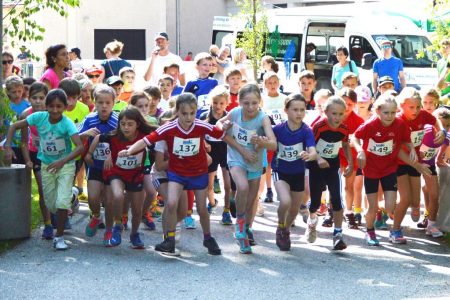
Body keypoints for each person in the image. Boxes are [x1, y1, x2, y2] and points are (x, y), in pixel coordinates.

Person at [119, 93, 226, 256]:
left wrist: (226, 129)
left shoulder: (197, 128)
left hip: (190, 173)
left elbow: (216, 142)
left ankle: (205, 237)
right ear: (177, 113)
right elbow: (148, 144)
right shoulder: (167, 131)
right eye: (184, 114)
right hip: (169, 173)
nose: (188, 117)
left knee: (193, 210)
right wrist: (129, 150)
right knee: (171, 203)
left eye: (192, 113)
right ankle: (169, 238)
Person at [4, 89, 84, 250]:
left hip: (65, 165)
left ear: (65, 107)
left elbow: (80, 147)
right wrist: (7, 146)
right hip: (47, 165)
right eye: (52, 106)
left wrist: (62, 161)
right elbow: (13, 126)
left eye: (59, 107)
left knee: (61, 202)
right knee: (51, 203)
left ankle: (59, 237)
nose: (55, 110)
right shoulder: (38, 118)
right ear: (46, 106)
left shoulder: (67, 123)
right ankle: (72, 195)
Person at [216, 83, 277, 254]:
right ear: (239, 102)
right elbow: (219, 127)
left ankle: (247, 228)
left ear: (260, 102)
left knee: (252, 200)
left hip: (255, 160)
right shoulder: (235, 113)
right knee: (242, 186)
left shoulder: (263, 118)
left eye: (254, 103)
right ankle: (240, 227)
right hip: (237, 157)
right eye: (246, 103)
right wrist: (224, 126)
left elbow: (273, 144)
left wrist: (262, 142)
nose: (250, 107)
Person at [353, 94, 416, 245]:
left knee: (390, 207)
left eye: (393, 112)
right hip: (371, 170)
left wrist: (412, 149)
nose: (390, 116)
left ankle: (380, 212)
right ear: (378, 111)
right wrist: (360, 150)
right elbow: (354, 137)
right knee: (372, 207)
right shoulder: (370, 124)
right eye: (386, 112)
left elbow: (406, 140)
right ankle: (369, 231)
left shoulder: (400, 124)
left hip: (389, 168)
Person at [92, 107, 156, 248]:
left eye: (130, 124)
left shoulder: (144, 136)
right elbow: (98, 137)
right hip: (117, 173)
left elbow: (162, 133)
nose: (126, 127)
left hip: (135, 175)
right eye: (123, 124)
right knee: (117, 195)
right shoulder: (114, 136)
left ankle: (134, 234)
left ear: (138, 124)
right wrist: (88, 154)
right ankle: (118, 225)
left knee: (137, 209)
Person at [393, 87, 445, 243]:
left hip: (418, 161)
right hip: (401, 162)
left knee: (415, 201)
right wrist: (415, 162)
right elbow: (398, 148)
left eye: (418, 106)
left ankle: (429, 221)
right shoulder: (398, 120)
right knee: (405, 199)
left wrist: (441, 130)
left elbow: (434, 119)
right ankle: (395, 229)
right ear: (401, 106)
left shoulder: (423, 115)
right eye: (411, 107)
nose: (415, 110)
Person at [305, 96, 353, 251]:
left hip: (333, 166)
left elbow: (345, 145)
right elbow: (309, 145)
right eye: (334, 114)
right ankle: (312, 222)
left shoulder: (344, 129)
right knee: (316, 203)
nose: (337, 117)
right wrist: (318, 158)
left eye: (341, 114)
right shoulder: (319, 127)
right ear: (325, 112)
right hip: (315, 166)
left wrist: (350, 163)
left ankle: (338, 234)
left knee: (337, 200)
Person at [272, 94, 317, 251]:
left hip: (298, 172)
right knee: (285, 201)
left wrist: (309, 155)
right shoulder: (277, 129)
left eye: (302, 110)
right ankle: (280, 226)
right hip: (280, 171)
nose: (299, 113)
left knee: (294, 209)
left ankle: (286, 230)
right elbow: (268, 140)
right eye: (295, 110)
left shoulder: (306, 131)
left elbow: (313, 151)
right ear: (286, 110)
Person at [79, 85, 119, 245]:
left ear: (113, 103)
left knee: (109, 201)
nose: (104, 106)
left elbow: (123, 142)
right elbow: (75, 136)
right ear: (94, 102)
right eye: (100, 102)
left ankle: (109, 230)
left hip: (111, 168)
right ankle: (96, 216)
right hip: (94, 165)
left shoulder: (118, 121)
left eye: (107, 103)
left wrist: (112, 155)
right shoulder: (90, 119)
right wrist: (84, 135)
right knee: (93, 197)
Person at [18, 82, 51, 239]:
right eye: (34, 98)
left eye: (41, 98)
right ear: (29, 98)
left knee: (56, 190)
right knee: (43, 190)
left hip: (54, 155)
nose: (38, 101)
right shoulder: (25, 115)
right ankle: (48, 224)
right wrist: (27, 160)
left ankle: (66, 207)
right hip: (35, 154)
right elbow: (23, 141)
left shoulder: (53, 112)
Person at [200, 86, 232, 225]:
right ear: (210, 102)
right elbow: (197, 134)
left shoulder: (229, 117)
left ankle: (226, 211)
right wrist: (203, 143)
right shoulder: (204, 117)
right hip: (210, 154)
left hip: (225, 152)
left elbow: (233, 135)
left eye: (221, 103)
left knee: (227, 185)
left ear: (226, 103)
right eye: (215, 103)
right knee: (209, 185)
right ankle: (212, 203)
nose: (218, 106)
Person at [337, 88, 364, 229]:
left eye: (350, 104)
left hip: (351, 158)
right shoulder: (333, 116)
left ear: (354, 104)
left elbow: (361, 140)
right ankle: (333, 209)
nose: (346, 107)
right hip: (335, 155)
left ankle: (349, 211)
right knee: (334, 184)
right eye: (344, 103)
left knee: (349, 186)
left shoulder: (359, 121)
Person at [261, 71, 287, 203]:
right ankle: (269, 189)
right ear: (265, 84)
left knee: (281, 162)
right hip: (268, 136)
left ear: (279, 83)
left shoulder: (284, 98)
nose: (272, 85)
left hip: (282, 134)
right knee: (268, 163)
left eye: (275, 82)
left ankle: (281, 188)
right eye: (269, 83)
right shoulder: (262, 99)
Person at [183, 52, 219, 117]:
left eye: (210, 65)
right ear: (197, 66)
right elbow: (183, 100)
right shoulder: (191, 83)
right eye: (205, 64)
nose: (208, 67)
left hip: (210, 116)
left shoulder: (214, 82)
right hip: (195, 117)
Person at [5, 76, 30, 164]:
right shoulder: (6, 107)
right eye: (14, 92)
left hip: (25, 144)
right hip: (11, 144)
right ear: (8, 92)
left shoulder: (28, 105)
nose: (17, 94)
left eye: (19, 91)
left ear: (23, 89)